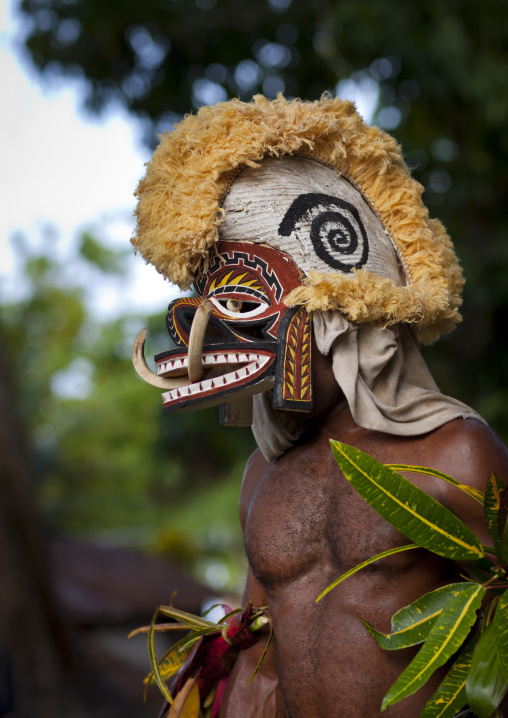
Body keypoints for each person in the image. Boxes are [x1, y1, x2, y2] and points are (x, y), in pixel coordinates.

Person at [131, 95, 508, 717]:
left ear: (341, 318)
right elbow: (254, 645)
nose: (241, 351)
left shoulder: (456, 453)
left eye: (252, 318)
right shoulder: (265, 472)